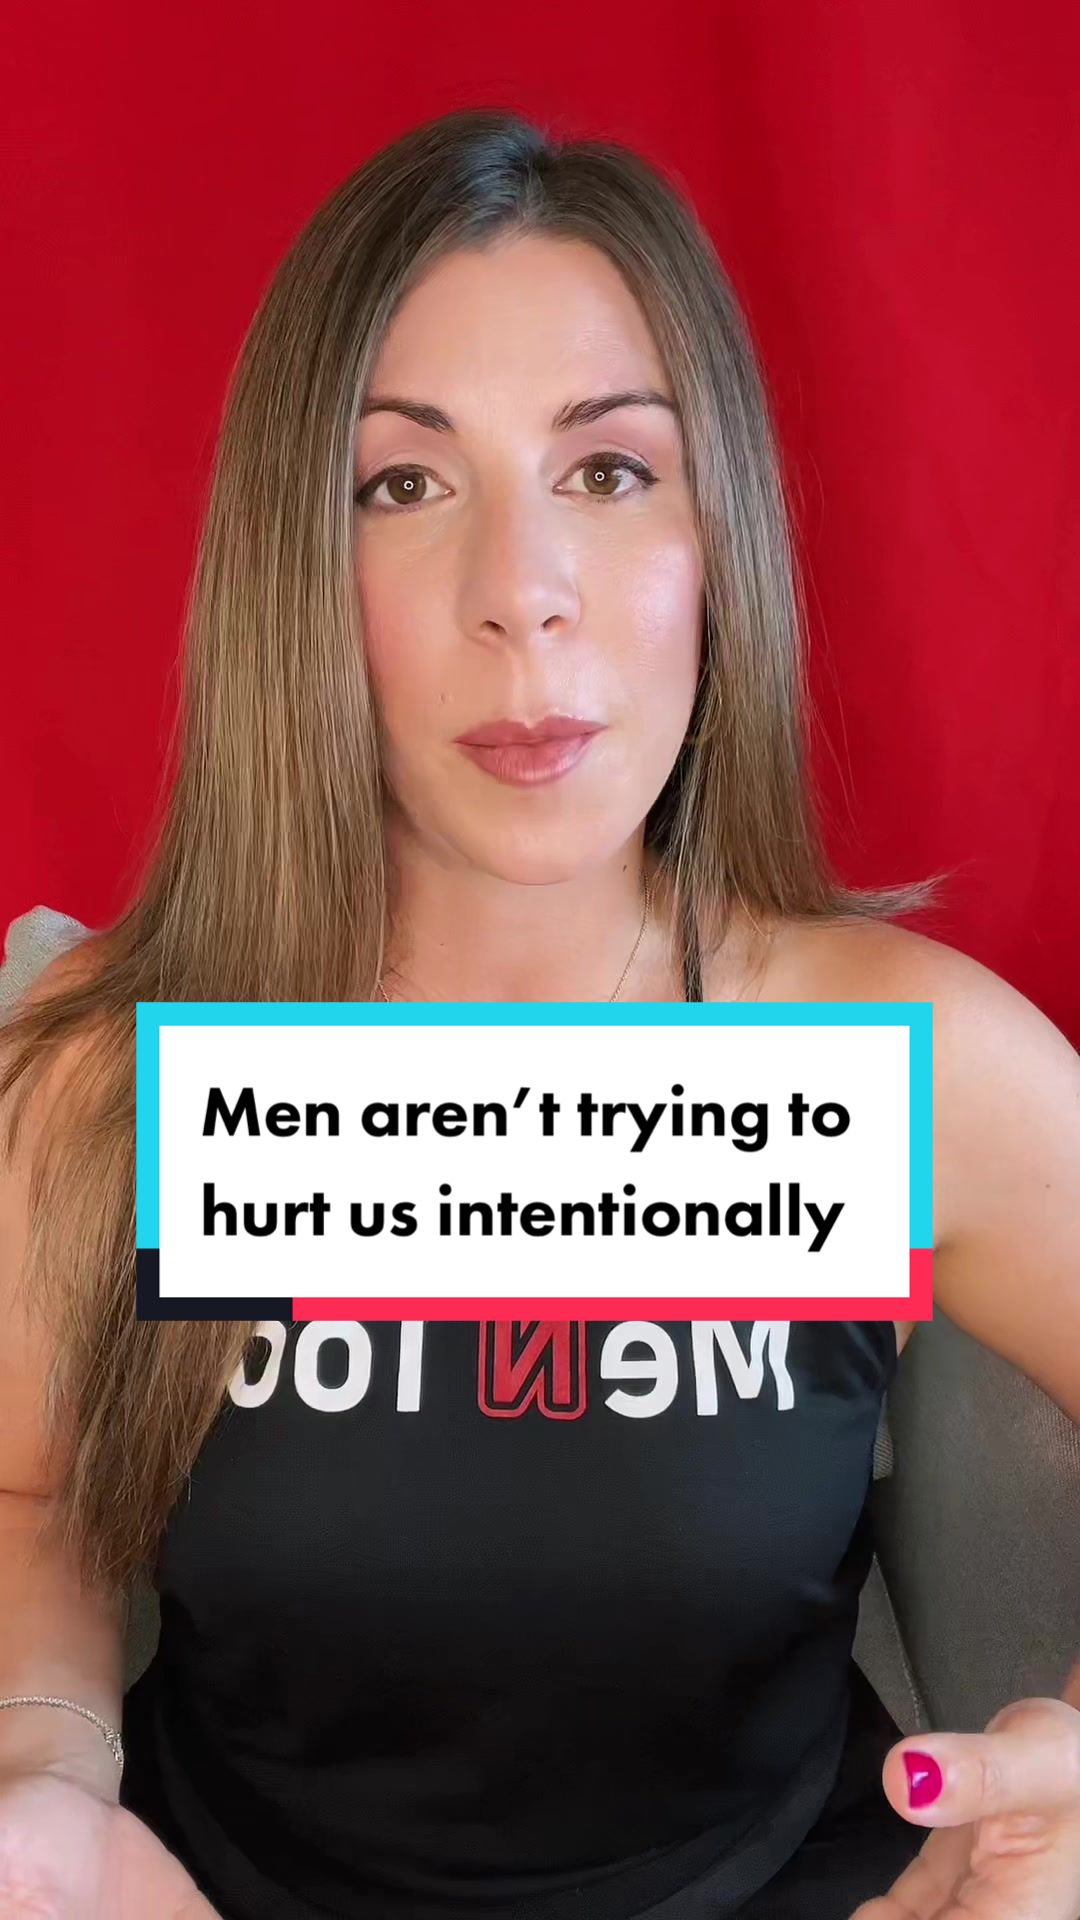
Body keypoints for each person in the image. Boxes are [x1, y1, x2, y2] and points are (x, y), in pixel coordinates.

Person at [1, 106, 1078, 1920]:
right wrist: (43, 1780)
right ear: (296, 569)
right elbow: (26, 1503)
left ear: (719, 539)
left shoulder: (899, 1062)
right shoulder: (123, 1076)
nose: (521, 599)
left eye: (609, 470)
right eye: (402, 486)